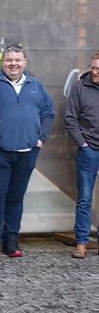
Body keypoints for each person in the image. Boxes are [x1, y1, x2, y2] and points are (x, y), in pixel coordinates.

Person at [0, 44, 54, 259]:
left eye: (18, 60)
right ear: (3, 62)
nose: (13, 64)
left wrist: (41, 138)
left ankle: (11, 242)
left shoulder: (36, 86)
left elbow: (48, 112)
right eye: (9, 60)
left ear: (25, 62)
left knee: (16, 198)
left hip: (28, 151)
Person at [64, 50, 99, 258]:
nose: (94, 72)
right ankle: (82, 242)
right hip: (89, 150)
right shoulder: (80, 88)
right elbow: (70, 118)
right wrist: (83, 144)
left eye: (98, 69)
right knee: (85, 198)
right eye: (93, 67)